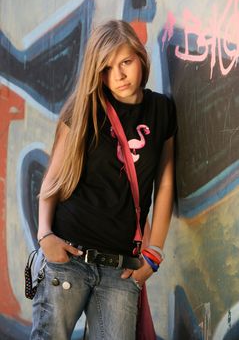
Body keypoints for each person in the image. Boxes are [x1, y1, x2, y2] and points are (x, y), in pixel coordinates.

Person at [30, 19, 177, 340]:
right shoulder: (84, 109)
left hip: (122, 268)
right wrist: (45, 237)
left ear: (141, 57)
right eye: (107, 68)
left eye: (126, 62)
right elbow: (52, 180)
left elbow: (165, 183)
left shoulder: (162, 110)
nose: (119, 76)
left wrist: (154, 255)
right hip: (68, 258)